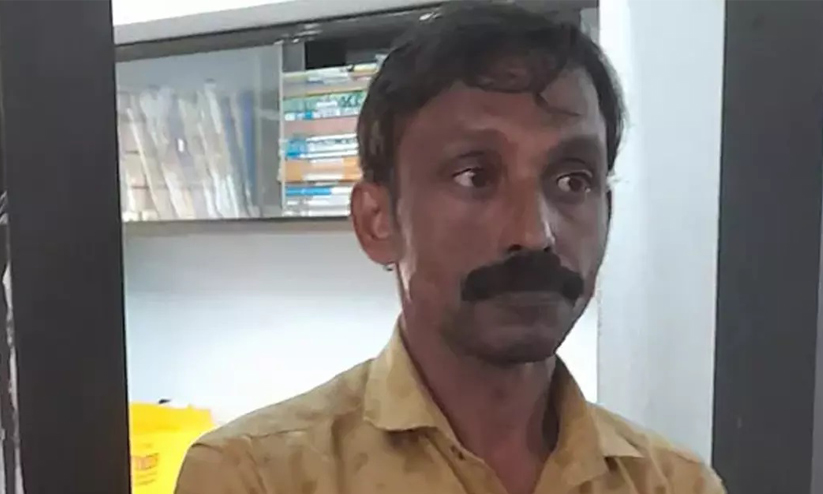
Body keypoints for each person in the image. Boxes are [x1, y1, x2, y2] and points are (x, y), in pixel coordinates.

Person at [175, 3, 725, 494]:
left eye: (572, 181)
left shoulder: (675, 484)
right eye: (475, 176)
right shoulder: (255, 477)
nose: (535, 233)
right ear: (377, 221)